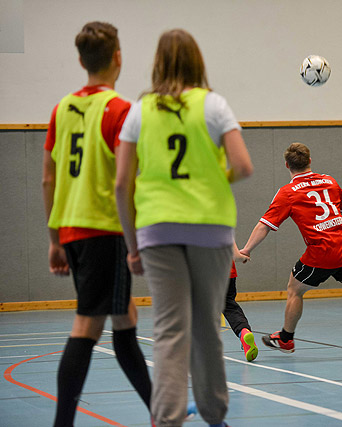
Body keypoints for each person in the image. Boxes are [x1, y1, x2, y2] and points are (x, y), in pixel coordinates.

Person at [115, 29, 253, 427]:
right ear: (197, 61)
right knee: (207, 326)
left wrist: (132, 246)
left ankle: (167, 419)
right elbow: (243, 166)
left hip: (157, 231)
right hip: (210, 229)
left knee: (169, 330)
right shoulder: (214, 105)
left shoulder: (140, 110)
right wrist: (211, 179)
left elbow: (122, 184)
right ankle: (215, 415)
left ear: (158, 63)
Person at [42, 22, 152, 426]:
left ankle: (161, 412)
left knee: (124, 317)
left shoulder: (61, 109)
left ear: (80, 60)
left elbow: (48, 179)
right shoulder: (121, 111)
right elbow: (128, 181)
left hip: (71, 230)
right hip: (106, 230)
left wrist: (55, 239)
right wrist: (136, 241)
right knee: (88, 323)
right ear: (118, 57)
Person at [240, 142, 342, 355]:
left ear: (287, 165)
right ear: (309, 161)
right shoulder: (330, 181)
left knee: (294, 290)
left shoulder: (288, 192)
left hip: (322, 252)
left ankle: (286, 339)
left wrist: (247, 249)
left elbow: (265, 225)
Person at [225, 244, 259, 362]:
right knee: (229, 306)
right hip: (227, 272)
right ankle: (243, 332)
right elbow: (235, 256)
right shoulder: (225, 231)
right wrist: (243, 257)